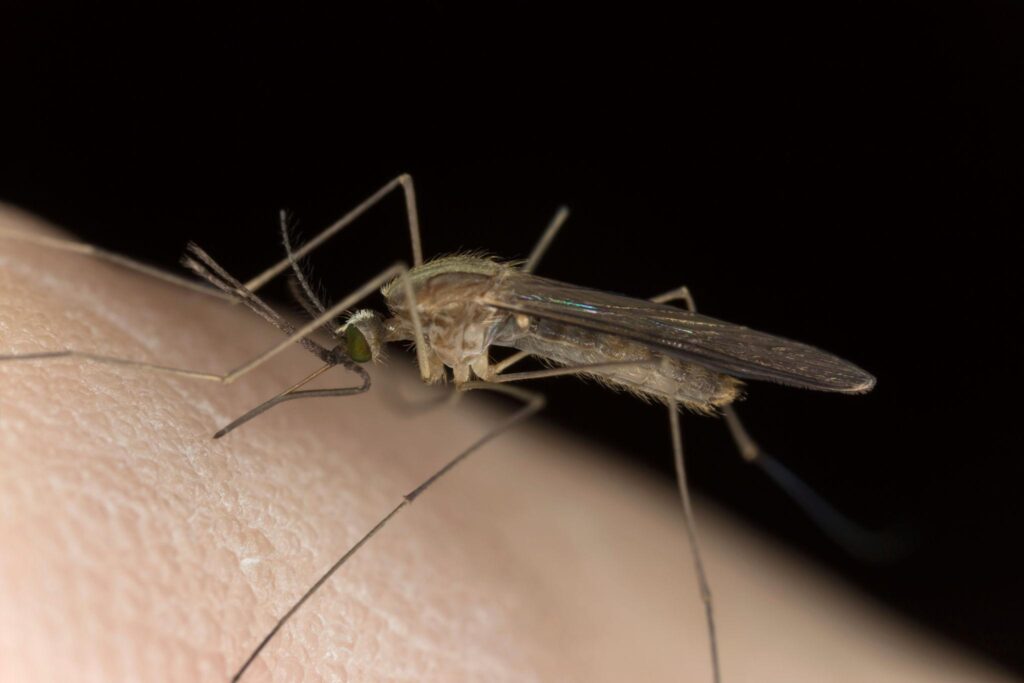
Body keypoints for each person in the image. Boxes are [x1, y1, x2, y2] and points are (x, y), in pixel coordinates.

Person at [0, 204, 1010, 682]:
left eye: (360, 337)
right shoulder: (398, 305)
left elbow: (431, 327)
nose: (363, 346)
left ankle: (752, 479)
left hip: (628, 344)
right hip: (495, 318)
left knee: (663, 346)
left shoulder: (430, 310)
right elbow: (378, 312)